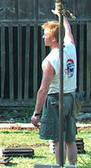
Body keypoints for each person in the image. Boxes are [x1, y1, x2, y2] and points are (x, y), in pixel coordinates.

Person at [30, 9, 78, 166]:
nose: (43, 37)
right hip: (71, 98)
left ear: (54, 39)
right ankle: (72, 165)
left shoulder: (50, 60)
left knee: (58, 140)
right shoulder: (71, 49)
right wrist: (62, 16)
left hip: (56, 101)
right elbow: (68, 31)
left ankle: (59, 165)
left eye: (46, 35)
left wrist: (36, 113)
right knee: (70, 139)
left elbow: (43, 90)